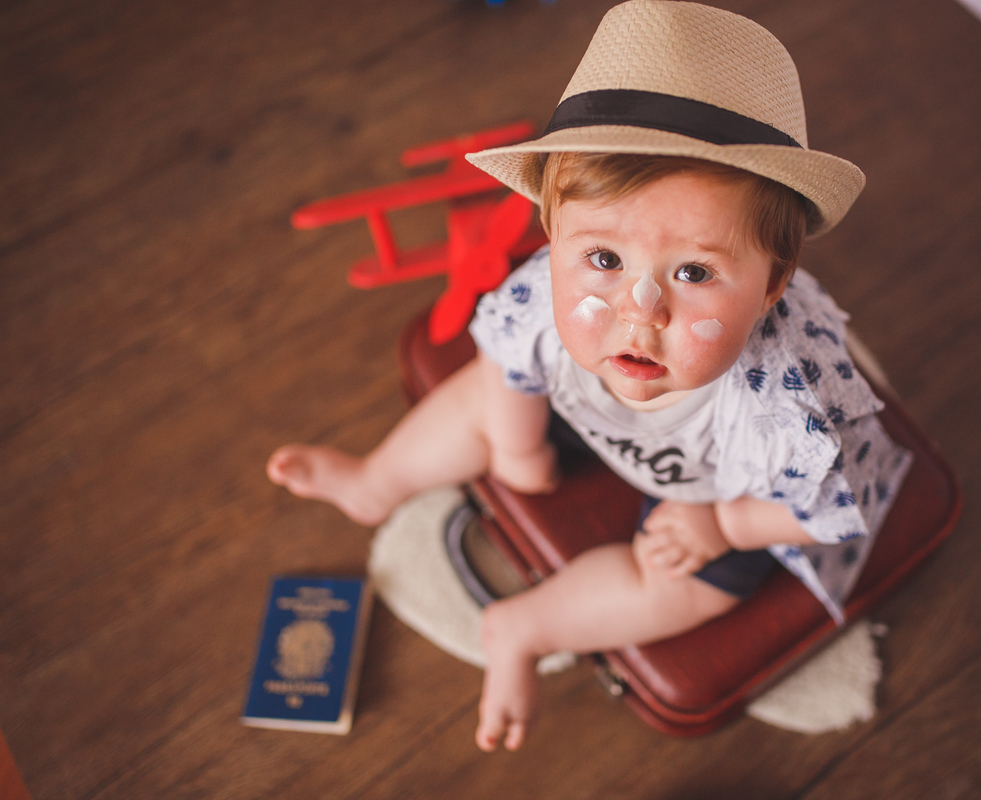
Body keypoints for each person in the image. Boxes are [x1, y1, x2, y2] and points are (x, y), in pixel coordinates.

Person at [267, 0, 912, 752]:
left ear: (772, 283)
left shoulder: (794, 409)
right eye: (603, 259)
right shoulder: (547, 294)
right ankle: (376, 480)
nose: (639, 313)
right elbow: (508, 359)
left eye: (696, 271)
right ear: (553, 233)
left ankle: (524, 629)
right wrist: (516, 449)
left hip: (725, 489)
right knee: (486, 395)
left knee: (687, 584)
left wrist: (722, 524)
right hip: (597, 409)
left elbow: (830, 507)